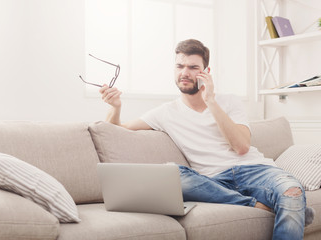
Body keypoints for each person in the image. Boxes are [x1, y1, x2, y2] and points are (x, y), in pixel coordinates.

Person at [98, 39, 314, 240]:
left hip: (257, 170)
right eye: (180, 66)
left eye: (193, 67)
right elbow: (116, 129)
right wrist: (115, 107)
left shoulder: (229, 102)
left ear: (206, 72)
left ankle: (289, 204)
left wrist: (210, 100)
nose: (185, 73)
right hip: (212, 181)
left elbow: (241, 146)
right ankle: (265, 206)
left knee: (292, 190)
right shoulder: (165, 112)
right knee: (173, 174)